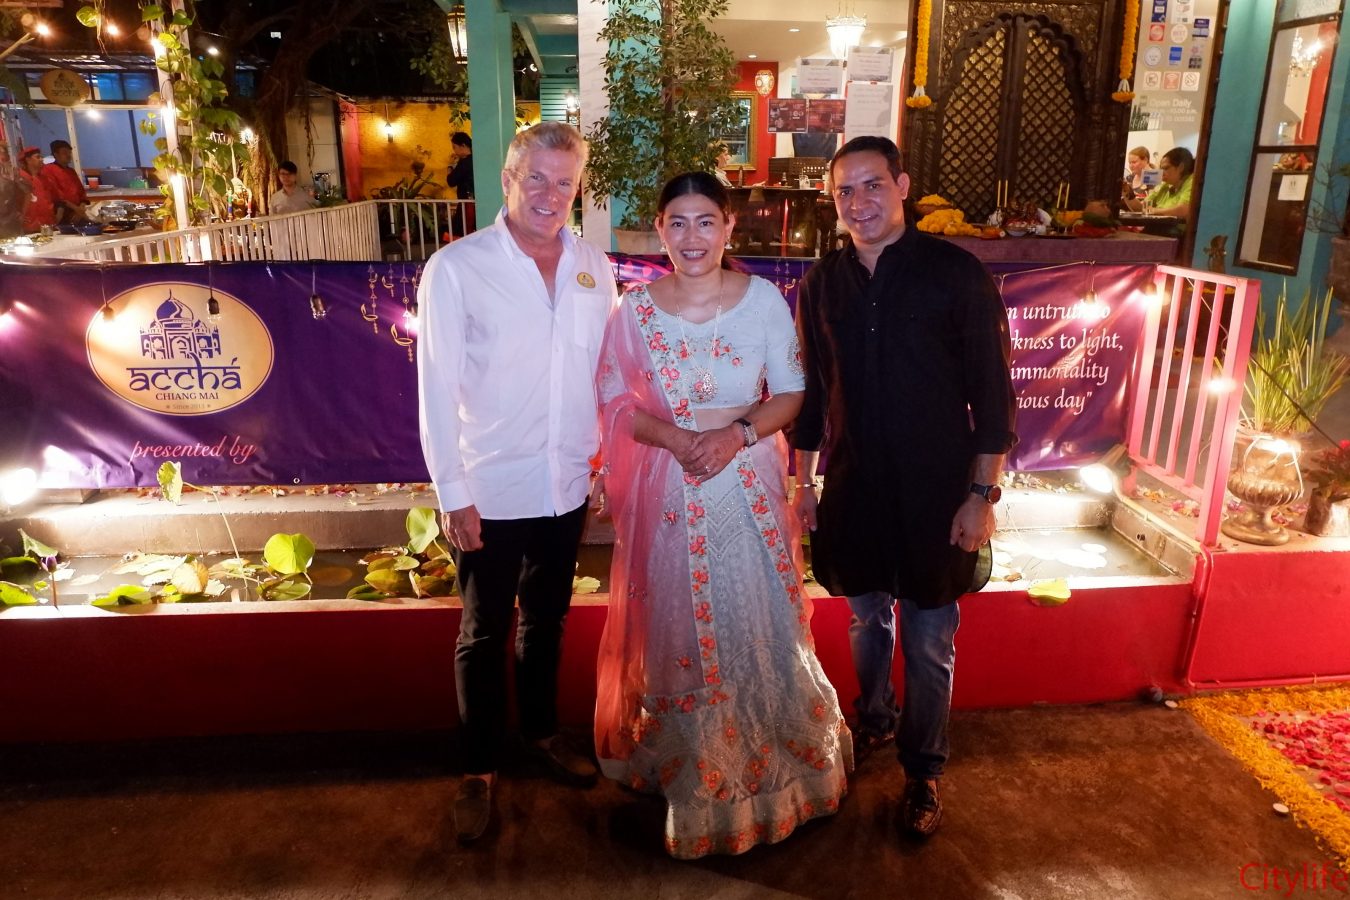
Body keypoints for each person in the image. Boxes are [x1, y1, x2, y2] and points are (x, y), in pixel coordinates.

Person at [593, 171, 850, 860]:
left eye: (706, 221)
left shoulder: (762, 299)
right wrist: (678, 438)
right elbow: (615, 402)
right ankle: (698, 772)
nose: (692, 237)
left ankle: (780, 771)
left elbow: (792, 392)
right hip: (671, 489)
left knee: (757, 618)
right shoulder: (634, 310)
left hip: (747, 482)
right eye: (677, 222)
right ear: (660, 230)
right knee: (681, 625)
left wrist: (734, 436)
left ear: (729, 226)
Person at [791, 136, 1016, 839]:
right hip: (854, 486)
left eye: (872, 185)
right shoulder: (822, 284)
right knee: (866, 620)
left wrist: (980, 496)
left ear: (903, 186)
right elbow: (810, 393)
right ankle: (875, 718)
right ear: (832, 201)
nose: (859, 201)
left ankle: (924, 770)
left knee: (927, 639)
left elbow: (994, 397)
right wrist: (802, 483)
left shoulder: (956, 274)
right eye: (845, 191)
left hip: (936, 492)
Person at [416, 122, 618, 845]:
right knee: (483, 631)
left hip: (564, 482)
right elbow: (435, 387)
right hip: (491, 487)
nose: (550, 194)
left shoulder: (594, 267)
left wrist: (606, 462)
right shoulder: (458, 267)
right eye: (536, 178)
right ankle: (478, 768)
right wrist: (453, 492)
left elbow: (605, 373)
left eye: (564, 182)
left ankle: (540, 733)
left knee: (547, 619)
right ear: (508, 179)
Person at [1124, 146, 1195, 231]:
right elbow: (1141, 208)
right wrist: (1126, 192)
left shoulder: (1192, 182)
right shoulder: (1164, 184)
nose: (1162, 173)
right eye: (1161, 169)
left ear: (1181, 167)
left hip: (1173, 234)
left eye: (1166, 168)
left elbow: (1183, 210)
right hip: (1157, 230)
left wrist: (1155, 211)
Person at [39, 140, 89, 225]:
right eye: (64, 152)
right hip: (62, 212)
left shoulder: (71, 171)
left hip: (78, 211)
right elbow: (57, 196)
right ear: (56, 154)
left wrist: (81, 208)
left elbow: (81, 192)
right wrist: (76, 209)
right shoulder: (48, 169)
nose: (68, 155)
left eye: (69, 152)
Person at [17, 147, 56, 234]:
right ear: (28, 160)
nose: (42, 159)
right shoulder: (19, 178)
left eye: (41, 157)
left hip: (48, 226)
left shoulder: (45, 179)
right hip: (29, 228)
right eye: (38, 157)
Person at [446, 132, 475, 236]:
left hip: (466, 203)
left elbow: (451, 181)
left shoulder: (464, 162)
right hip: (474, 202)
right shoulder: (476, 159)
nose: (454, 151)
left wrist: (449, 167)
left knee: (460, 232)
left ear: (463, 145)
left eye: (455, 147)